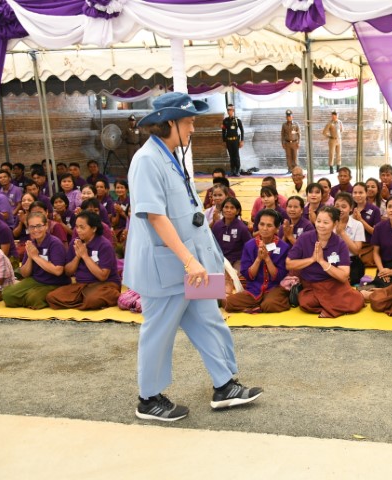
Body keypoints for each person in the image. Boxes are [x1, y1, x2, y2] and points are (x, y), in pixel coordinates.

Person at [126, 92, 262, 422]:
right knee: (159, 331)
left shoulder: (171, 156)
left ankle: (225, 385)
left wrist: (213, 261)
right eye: (188, 122)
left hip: (195, 266)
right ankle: (149, 399)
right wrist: (189, 260)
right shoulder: (146, 160)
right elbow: (155, 217)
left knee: (210, 319)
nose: (193, 128)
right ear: (170, 123)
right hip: (169, 268)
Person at [286, 206, 365, 318]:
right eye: (318, 221)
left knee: (356, 300)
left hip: (334, 283)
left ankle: (328, 307)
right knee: (307, 302)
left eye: (325, 222)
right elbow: (289, 264)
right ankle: (332, 307)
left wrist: (322, 262)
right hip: (311, 284)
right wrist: (312, 259)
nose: (321, 225)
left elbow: (343, 276)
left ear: (335, 224)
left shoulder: (340, 243)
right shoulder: (305, 238)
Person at [45, 211, 121, 310]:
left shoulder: (105, 245)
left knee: (92, 300)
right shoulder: (75, 243)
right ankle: (83, 303)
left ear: (94, 228)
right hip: (81, 285)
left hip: (105, 285)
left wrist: (85, 256)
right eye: (76, 227)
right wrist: (77, 257)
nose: (78, 230)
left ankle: (86, 301)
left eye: (82, 227)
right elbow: (68, 272)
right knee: (51, 297)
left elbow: (103, 276)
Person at [224, 209, 291, 314]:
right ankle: (258, 306)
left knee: (270, 304)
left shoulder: (283, 247)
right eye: (262, 224)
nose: (264, 228)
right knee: (229, 302)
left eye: (269, 225)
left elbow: (279, 277)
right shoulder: (249, 245)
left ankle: (258, 307)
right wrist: (258, 259)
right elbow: (247, 275)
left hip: (274, 288)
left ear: (277, 228)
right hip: (254, 289)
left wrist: (267, 259)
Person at [2, 211, 69, 309]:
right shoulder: (31, 244)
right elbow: (24, 274)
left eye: (39, 226)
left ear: (46, 226)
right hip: (36, 280)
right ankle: (28, 299)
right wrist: (30, 257)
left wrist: (36, 257)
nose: (35, 230)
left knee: (33, 298)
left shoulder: (55, 243)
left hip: (55, 282)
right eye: (32, 227)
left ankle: (29, 299)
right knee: (7, 294)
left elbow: (58, 271)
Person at [370, 195, 392, 288]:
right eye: (389, 207)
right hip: (384, 267)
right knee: (376, 286)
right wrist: (382, 270)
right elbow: (376, 252)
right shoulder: (379, 227)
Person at [212, 197, 252, 271]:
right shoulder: (217, 226)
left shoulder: (242, 228)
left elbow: (249, 246)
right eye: (226, 207)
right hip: (221, 259)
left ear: (237, 211)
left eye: (232, 208)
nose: (228, 210)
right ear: (222, 209)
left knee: (236, 275)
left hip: (237, 260)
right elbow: (212, 244)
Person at [333, 192, 365, 285]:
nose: (340, 209)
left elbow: (356, 251)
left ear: (351, 208)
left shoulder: (357, 225)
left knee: (348, 281)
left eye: (344, 206)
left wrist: (342, 233)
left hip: (351, 261)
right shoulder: (329, 223)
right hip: (333, 260)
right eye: (337, 206)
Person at [351, 181, 381, 265]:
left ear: (366, 193)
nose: (357, 195)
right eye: (355, 193)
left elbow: (376, 232)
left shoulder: (374, 210)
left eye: (361, 192)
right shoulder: (350, 209)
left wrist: (361, 220)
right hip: (352, 244)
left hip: (368, 246)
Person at [222, 104, 244, 176]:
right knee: (231, 156)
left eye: (230, 110)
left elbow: (242, 130)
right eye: (228, 110)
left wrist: (242, 140)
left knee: (236, 155)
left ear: (233, 110)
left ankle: (237, 170)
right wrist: (224, 141)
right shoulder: (225, 121)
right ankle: (232, 170)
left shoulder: (237, 120)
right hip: (228, 141)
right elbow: (223, 131)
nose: (229, 111)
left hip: (235, 141)